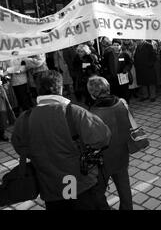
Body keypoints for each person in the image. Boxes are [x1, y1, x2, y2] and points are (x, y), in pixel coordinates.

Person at [11, 70, 111, 210]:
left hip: (51, 189)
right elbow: (103, 137)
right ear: (60, 88)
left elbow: (19, 147)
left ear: (38, 89)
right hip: (82, 187)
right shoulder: (75, 112)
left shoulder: (24, 119)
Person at [87, 76, 133, 210]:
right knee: (124, 187)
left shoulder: (92, 113)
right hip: (122, 153)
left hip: (103, 159)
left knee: (97, 192)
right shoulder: (122, 103)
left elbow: (92, 139)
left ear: (92, 93)